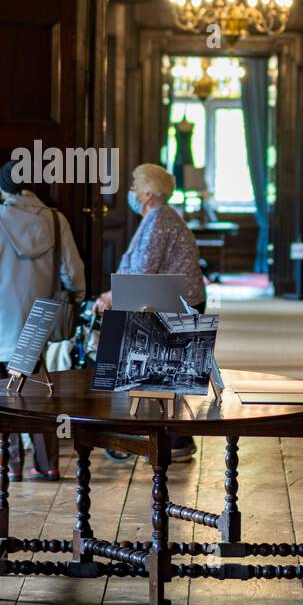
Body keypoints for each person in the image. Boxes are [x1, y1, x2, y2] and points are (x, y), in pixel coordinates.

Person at [0, 160, 85, 481]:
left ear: (2, 187)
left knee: (0, 397)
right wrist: (76, 297)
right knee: (40, 395)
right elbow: (73, 274)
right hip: (40, 321)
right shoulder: (57, 221)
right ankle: (46, 464)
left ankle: (8, 464)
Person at [93, 163, 205, 461]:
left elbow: (144, 269)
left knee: (157, 372)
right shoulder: (159, 217)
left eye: (134, 187)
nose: (131, 193)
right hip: (171, 299)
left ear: (148, 193)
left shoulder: (158, 220)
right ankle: (170, 437)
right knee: (165, 375)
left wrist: (111, 296)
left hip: (173, 302)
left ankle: (151, 435)